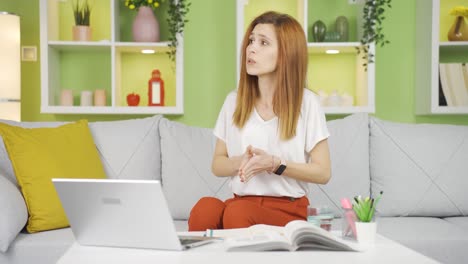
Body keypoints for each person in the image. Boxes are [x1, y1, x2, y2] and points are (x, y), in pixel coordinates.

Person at [188, 11, 331, 231]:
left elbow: (323, 172)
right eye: (252, 40)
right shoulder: (233, 101)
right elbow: (218, 163)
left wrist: (276, 165)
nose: (251, 48)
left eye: (264, 43)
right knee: (204, 208)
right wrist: (241, 162)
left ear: (286, 54)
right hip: (241, 203)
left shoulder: (307, 103)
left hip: (289, 210)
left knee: (238, 212)